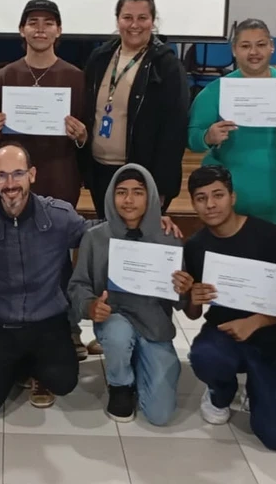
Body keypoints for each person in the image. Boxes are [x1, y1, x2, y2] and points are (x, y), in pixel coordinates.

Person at [0, 0, 95, 357]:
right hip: (14, 183)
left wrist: (81, 134)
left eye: (49, 23)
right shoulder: (3, 77)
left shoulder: (77, 77)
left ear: (59, 31)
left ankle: (69, 327)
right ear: (22, 30)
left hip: (59, 174)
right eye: (33, 22)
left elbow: (89, 135)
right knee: (8, 254)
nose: (41, 29)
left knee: (58, 256)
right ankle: (6, 324)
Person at [182, 166, 276, 450]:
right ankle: (220, 391)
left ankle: (258, 387)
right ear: (193, 203)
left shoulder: (267, 235)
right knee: (204, 356)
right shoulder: (196, 246)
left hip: (270, 335)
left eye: (218, 195)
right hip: (223, 332)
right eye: (201, 198)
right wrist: (192, 298)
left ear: (232, 197)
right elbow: (192, 313)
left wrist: (257, 321)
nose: (210, 205)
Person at [0, 143, 83, 416]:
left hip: (49, 322)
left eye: (18, 174)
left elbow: (95, 234)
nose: (10, 183)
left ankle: (36, 367)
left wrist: (150, 221)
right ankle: (21, 363)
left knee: (64, 382)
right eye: (2, 175)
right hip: (3, 323)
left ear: (32, 174)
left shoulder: (59, 216)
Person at [68, 163, 187, 425]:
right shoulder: (95, 237)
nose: (129, 200)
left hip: (153, 325)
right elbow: (78, 285)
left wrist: (184, 289)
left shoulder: (169, 237)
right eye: (121, 192)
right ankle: (120, 384)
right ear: (111, 196)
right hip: (115, 317)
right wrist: (90, 306)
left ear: (152, 197)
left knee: (160, 414)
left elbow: (182, 302)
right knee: (119, 335)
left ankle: (138, 361)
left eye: (138, 192)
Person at [187, 19, 276, 247]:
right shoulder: (216, 90)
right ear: (234, 50)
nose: (254, 52)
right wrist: (207, 137)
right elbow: (192, 138)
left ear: (272, 47)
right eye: (246, 46)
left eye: (261, 44)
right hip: (231, 207)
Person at [81, 0, 189, 218]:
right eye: (127, 18)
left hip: (141, 175)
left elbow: (174, 131)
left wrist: (159, 186)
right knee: (107, 235)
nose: (134, 25)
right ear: (117, 19)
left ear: (153, 21)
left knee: (135, 246)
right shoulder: (99, 58)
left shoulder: (167, 66)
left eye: (143, 18)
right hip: (100, 169)